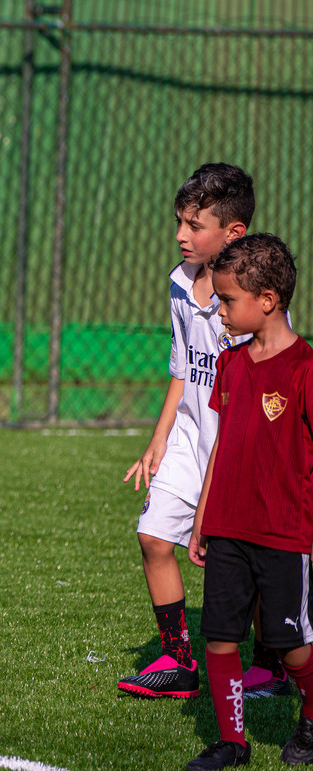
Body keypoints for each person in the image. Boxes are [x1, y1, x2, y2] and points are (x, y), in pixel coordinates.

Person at [118, 164, 287, 699]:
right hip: (191, 439)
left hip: (240, 447)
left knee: (246, 558)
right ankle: (178, 658)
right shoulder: (179, 283)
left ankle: (270, 664)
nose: (180, 235)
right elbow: (182, 369)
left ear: (233, 232)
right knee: (152, 537)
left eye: (194, 225)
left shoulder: (250, 302)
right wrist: (159, 437)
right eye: (179, 222)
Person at [185, 233, 313, 771]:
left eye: (228, 300)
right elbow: (223, 444)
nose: (219, 310)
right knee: (218, 637)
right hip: (227, 526)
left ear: (267, 299)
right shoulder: (231, 363)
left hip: (284, 532)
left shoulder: (305, 367)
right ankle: (232, 742)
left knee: (289, 645)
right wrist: (202, 517)